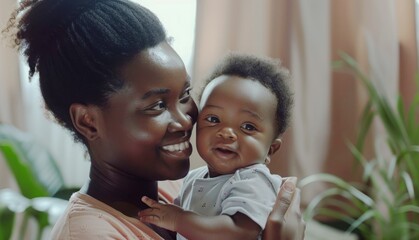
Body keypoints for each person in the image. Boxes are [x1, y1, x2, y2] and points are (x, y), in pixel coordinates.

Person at [4, 0, 305, 239]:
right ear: (88, 121)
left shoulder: (179, 192)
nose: (186, 120)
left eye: (185, 94)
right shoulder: (89, 234)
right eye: (157, 106)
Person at [138, 53, 298, 240]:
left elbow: (239, 232)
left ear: (270, 149)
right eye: (214, 119)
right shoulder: (192, 179)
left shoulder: (254, 181)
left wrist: (178, 219)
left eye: (248, 127)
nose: (227, 132)